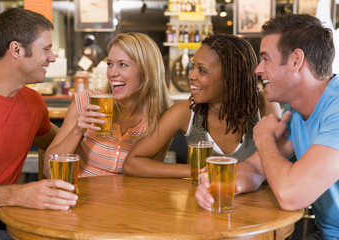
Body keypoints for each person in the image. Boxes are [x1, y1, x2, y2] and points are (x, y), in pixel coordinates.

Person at [195, 13, 339, 239]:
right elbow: (254, 169)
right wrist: (216, 183)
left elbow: (290, 195)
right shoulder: (296, 113)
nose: (257, 70)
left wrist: (264, 139)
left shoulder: (336, 110)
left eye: (266, 59)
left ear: (295, 61)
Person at [0, 8, 78, 239]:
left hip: (1, 226)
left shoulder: (33, 103)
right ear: (16, 49)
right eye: (46, 49)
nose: (52, 58)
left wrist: (79, 122)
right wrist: (19, 195)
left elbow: (58, 147)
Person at [123, 33, 281, 178]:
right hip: (203, 204)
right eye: (193, 67)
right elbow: (132, 163)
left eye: (202, 70)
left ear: (230, 78)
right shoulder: (186, 112)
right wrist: (197, 171)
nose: (191, 75)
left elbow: (278, 164)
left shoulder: (264, 105)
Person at [43, 32, 172, 177]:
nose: (111, 73)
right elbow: (49, 170)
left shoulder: (160, 119)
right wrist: (77, 130)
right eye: (110, 64)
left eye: (123, 65)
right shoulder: (86, 101)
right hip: (79, 196)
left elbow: (148, 179)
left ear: (146, 71)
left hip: (126, 198)